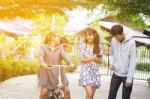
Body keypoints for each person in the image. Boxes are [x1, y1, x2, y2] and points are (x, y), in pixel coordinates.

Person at [38, 32, 74, 99]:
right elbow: (40, 56)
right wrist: (43, 63)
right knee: (44, 92)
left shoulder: (60, 47)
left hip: (58, 71)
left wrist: (70, 63)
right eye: (57, 36)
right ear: (51, 38)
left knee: (67, 90)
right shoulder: (43, 47)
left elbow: (64, 55)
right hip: (46, 71)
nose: (59, 38)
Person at [108, 25, 136, 99]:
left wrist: (129, 79)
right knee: (111, 96)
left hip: (127, 76)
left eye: (117, 37)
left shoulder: (131, 43)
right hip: (116, 74)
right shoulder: (113, 40)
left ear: (122, 33)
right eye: (115, 37)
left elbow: (133, 61)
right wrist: (111, 63)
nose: (116, 39)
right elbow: (112, 53)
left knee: (126, 97)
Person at [79, 28, 102, 99]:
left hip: (95, 72)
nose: (88, 37)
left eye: (90, 35)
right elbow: (82, 59)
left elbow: (100, 61)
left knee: (91, 96)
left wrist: (88, 57)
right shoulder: (83, 45)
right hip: (85, 71)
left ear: (95, 35)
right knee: (89, 93)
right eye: (86, 35)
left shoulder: (99, 46)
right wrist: (93, 58)